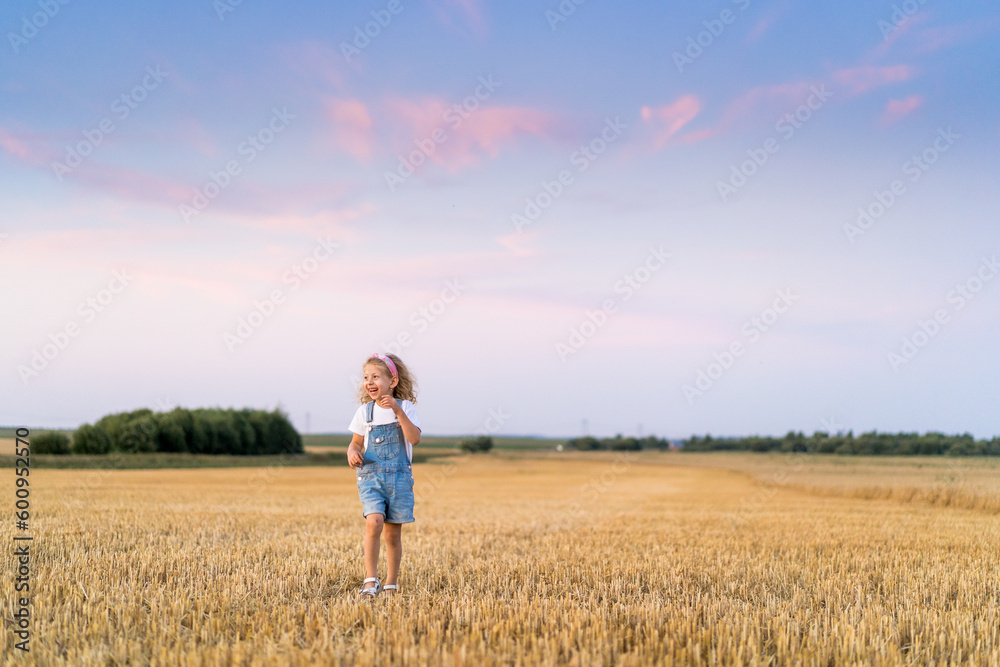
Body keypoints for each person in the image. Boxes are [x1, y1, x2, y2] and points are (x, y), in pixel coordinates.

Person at [346, 352, 421, 599]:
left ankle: (391, 582)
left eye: (376, 376)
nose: (369, 382)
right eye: (366, 377)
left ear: (393, 381)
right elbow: (356, 443)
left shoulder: (406, 408)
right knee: (373, 522)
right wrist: (352, 452)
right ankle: (370, 579)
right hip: (372, 479)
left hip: (399, 480)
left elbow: (414, 439)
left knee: (392, 534)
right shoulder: (364, 412)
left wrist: (399, 412)